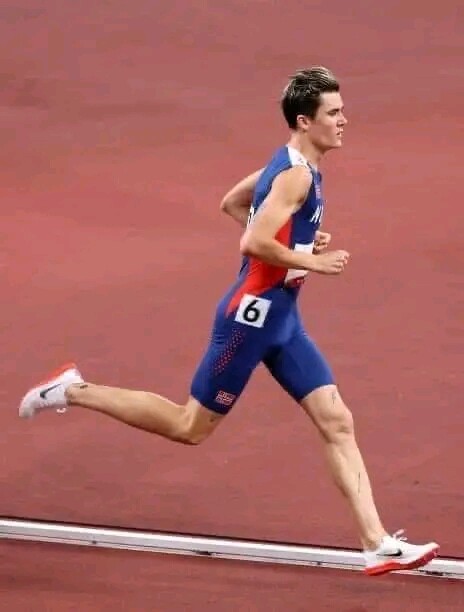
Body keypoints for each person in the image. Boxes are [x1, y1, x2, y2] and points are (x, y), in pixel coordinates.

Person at [18, 66, 439, 576]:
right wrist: (311, 260)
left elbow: (232, 203)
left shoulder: (293, 164)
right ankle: (72, 389)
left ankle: (376, 543)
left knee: (337, 420)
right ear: (304, 122)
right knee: (189, 426)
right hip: (250, 318)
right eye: (333, 113)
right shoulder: (295, 175)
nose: (344, 120)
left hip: (283, 320)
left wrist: (295, 242)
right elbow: (252, 241)